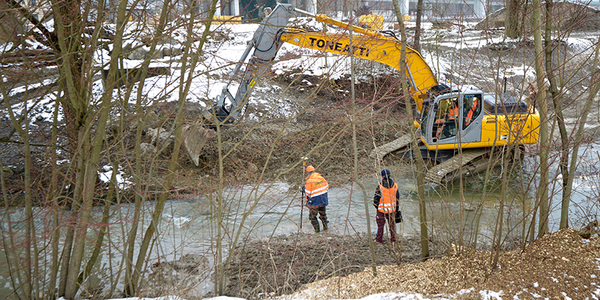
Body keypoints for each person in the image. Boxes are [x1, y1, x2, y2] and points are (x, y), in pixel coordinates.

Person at [373, 169, 400, 244]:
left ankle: (379, 240)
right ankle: (393, 240)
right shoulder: (395, 186)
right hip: (392, 210)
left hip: (381, 211)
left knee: (380, 226)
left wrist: (377, 208)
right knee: (392, 226)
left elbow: (375, 200)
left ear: (382, 176)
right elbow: (397, 199)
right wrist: (396, 210)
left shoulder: (380, 187)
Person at [303, 165, 329, 233]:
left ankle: (317, 232)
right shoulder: (321, 178)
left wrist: (303, 189)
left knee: (312, 217)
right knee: (323, 215)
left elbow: (308, 193)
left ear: (308, 173)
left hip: (315, 202)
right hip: (323, 200)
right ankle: (326, 229)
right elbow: (327, 186)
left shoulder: (309, 181)